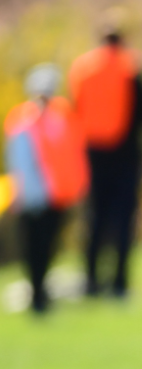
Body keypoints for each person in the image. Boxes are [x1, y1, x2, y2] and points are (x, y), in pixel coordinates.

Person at [68, 13, 142, 300]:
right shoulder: (131, 68)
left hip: (94, 154)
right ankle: (119, 283)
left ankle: (92, 281)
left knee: (95, 219)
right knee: (123, 221)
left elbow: (74, 110)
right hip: (126, 156)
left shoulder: (83, 68)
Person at [5, 64, 89, 316]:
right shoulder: (22, 120)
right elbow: (19, 163)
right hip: (31, 198)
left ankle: (41, 292)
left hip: (56, 196)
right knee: (34, 247)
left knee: (48, 246)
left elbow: (71, 157)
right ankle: (37, 294)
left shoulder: (60, 118)